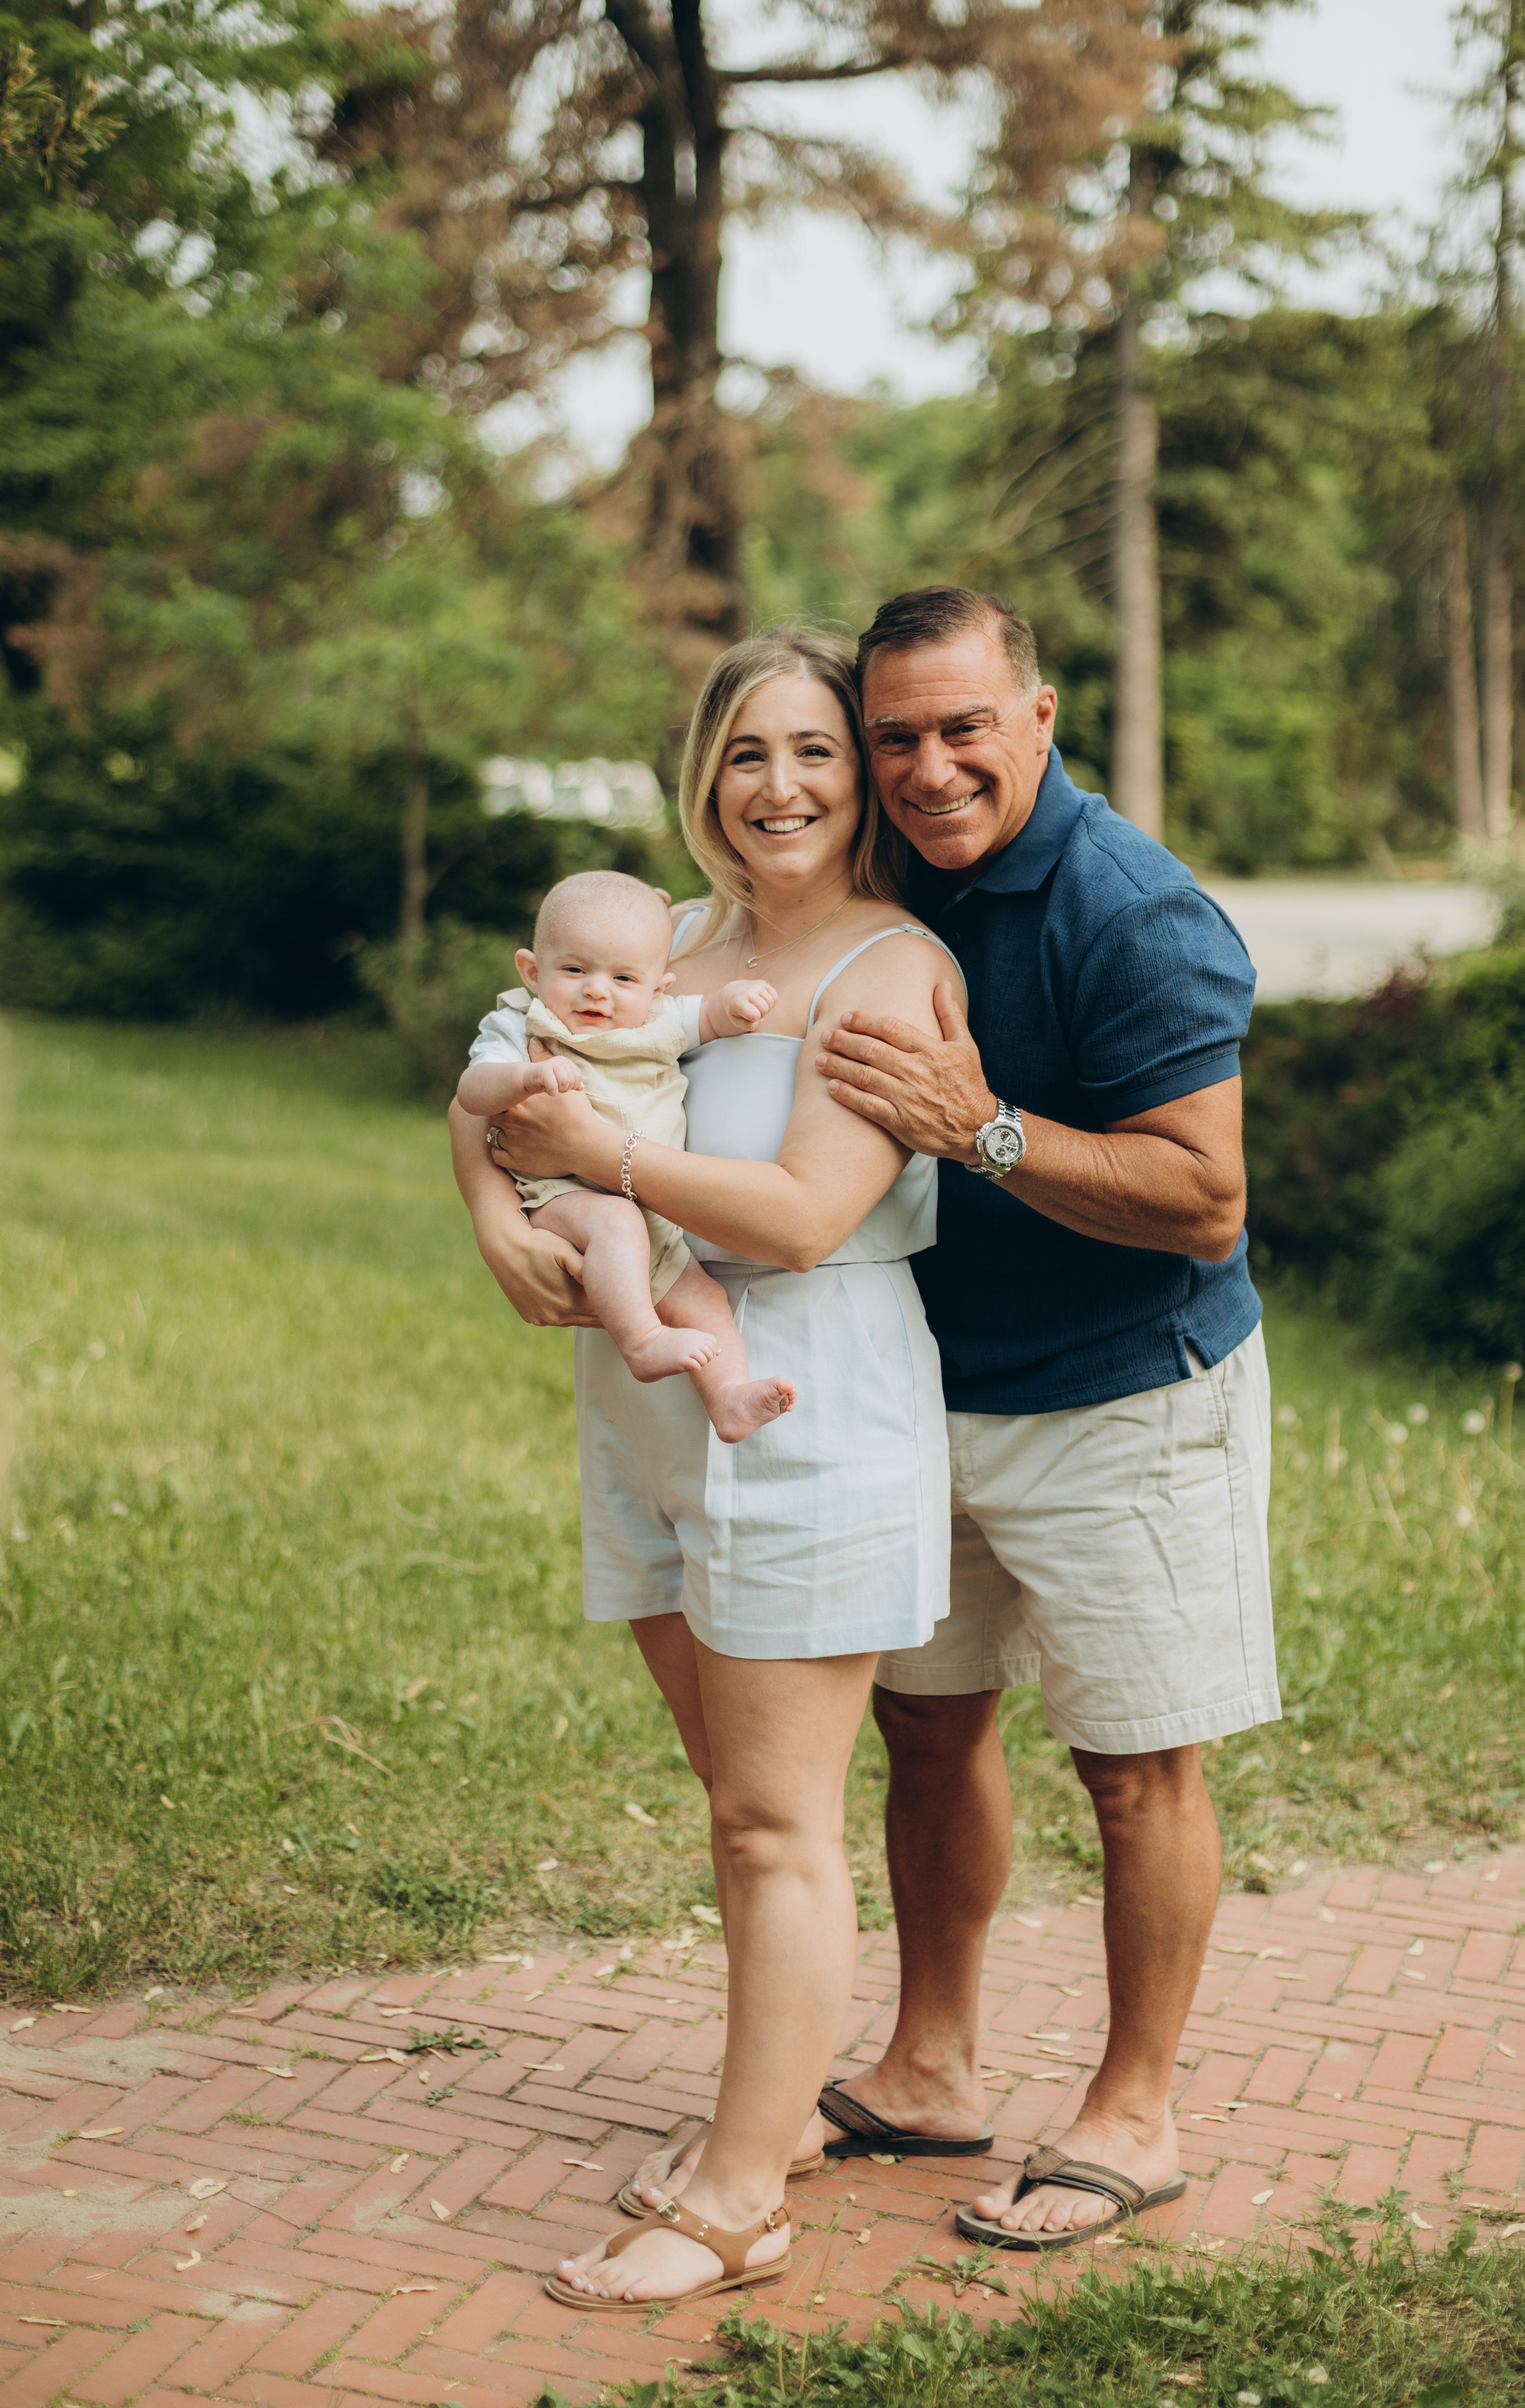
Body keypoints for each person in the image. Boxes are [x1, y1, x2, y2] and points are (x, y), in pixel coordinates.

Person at [448, 627, 968, 2308]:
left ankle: (740, 2195)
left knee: (774, 1819)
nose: (783, 786)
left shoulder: (883, 970)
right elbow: (498, 1097)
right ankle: (779, 2121)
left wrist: (603, 1158)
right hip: (649, 1407)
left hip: (808, 1389)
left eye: (817, 750)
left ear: (862, 774)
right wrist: (490, 1228)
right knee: (738, 1805)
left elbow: (810, 1211)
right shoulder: (659, 941)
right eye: (749, 751)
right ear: (705, 775)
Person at [794, 584, 1275, 2249]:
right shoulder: (879, 877)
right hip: (923, 1393)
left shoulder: (1133, 911)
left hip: (1126, 1399)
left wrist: (980, 1126)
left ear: (1041, 719)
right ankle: (930, 2067)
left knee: (1138, 1765)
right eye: (896, 736)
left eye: (963, 728)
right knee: (927, 1724)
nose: (928, 769)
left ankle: (1134, 2116)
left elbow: (1204, 1197)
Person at [456, 869, 796, 1444]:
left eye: (622, 977)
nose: (597, 991)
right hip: (565, 1198)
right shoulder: (521, 1024)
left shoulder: (656, 1022)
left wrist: (732, 1006)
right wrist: (524, 1077)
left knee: (704, 1298)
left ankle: (730, 1399)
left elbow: (707, 1018)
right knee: (615, 1221)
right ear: (532, 972)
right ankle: (641, 1342)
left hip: (655, 1211)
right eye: (574, 970)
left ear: (657, 987)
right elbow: (471, 1092)